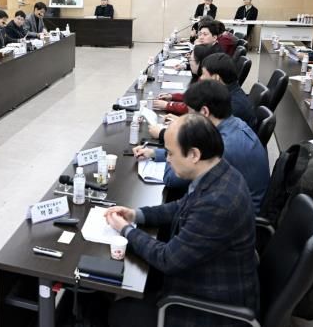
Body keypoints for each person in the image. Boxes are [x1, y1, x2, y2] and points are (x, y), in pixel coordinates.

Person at [106, 114, 258, 326]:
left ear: (194, 154)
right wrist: (135, 214)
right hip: (204, 277)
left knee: (119, 313)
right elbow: (180, 206)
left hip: (210, 308)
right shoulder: (219, 172)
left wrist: (126, 230)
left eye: (170, 153)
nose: (167, 159)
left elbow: (167, 259)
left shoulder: (217, 203)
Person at [137, 80, 269, 213]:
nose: (187, 118)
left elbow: (171, 179)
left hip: (234, 216)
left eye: (189, 113)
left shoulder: (221, 146)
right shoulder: (233, 123)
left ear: (205, 112)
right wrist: (154, 153)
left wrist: (173, 138)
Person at [152, 44, 217, 115]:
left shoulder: (206, 81)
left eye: (191, 59)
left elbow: (191, 107)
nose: (189, 62)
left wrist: (168, 105)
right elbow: (191, 97)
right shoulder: (203, 77)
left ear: (199, 62)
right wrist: (172, 96)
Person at [200, 53, 257, 130]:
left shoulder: (231, 107)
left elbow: (210, 132)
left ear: (216, 78)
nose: (201, 78)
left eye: (203, 74)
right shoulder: (229, 92)